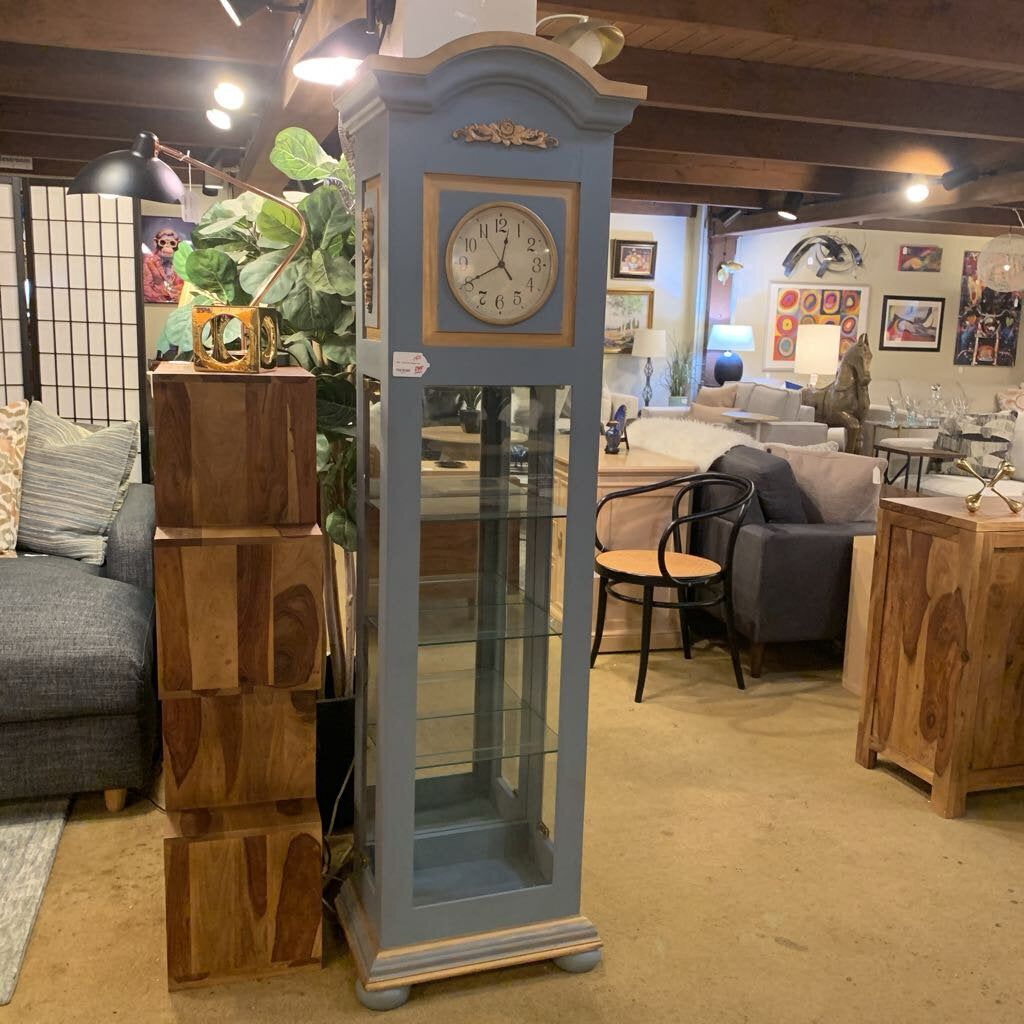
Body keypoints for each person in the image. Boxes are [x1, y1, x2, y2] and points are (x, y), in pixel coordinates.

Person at [142, 227, 184, 303]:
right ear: (155, 242)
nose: (167, 246)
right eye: (163, 242)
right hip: (156, 302)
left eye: (172, 243)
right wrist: (162, 299)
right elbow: (145, 287)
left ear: (178, 244)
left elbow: (184, 285)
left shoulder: (182, 261)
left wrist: (177, 296)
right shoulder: (149, 261)